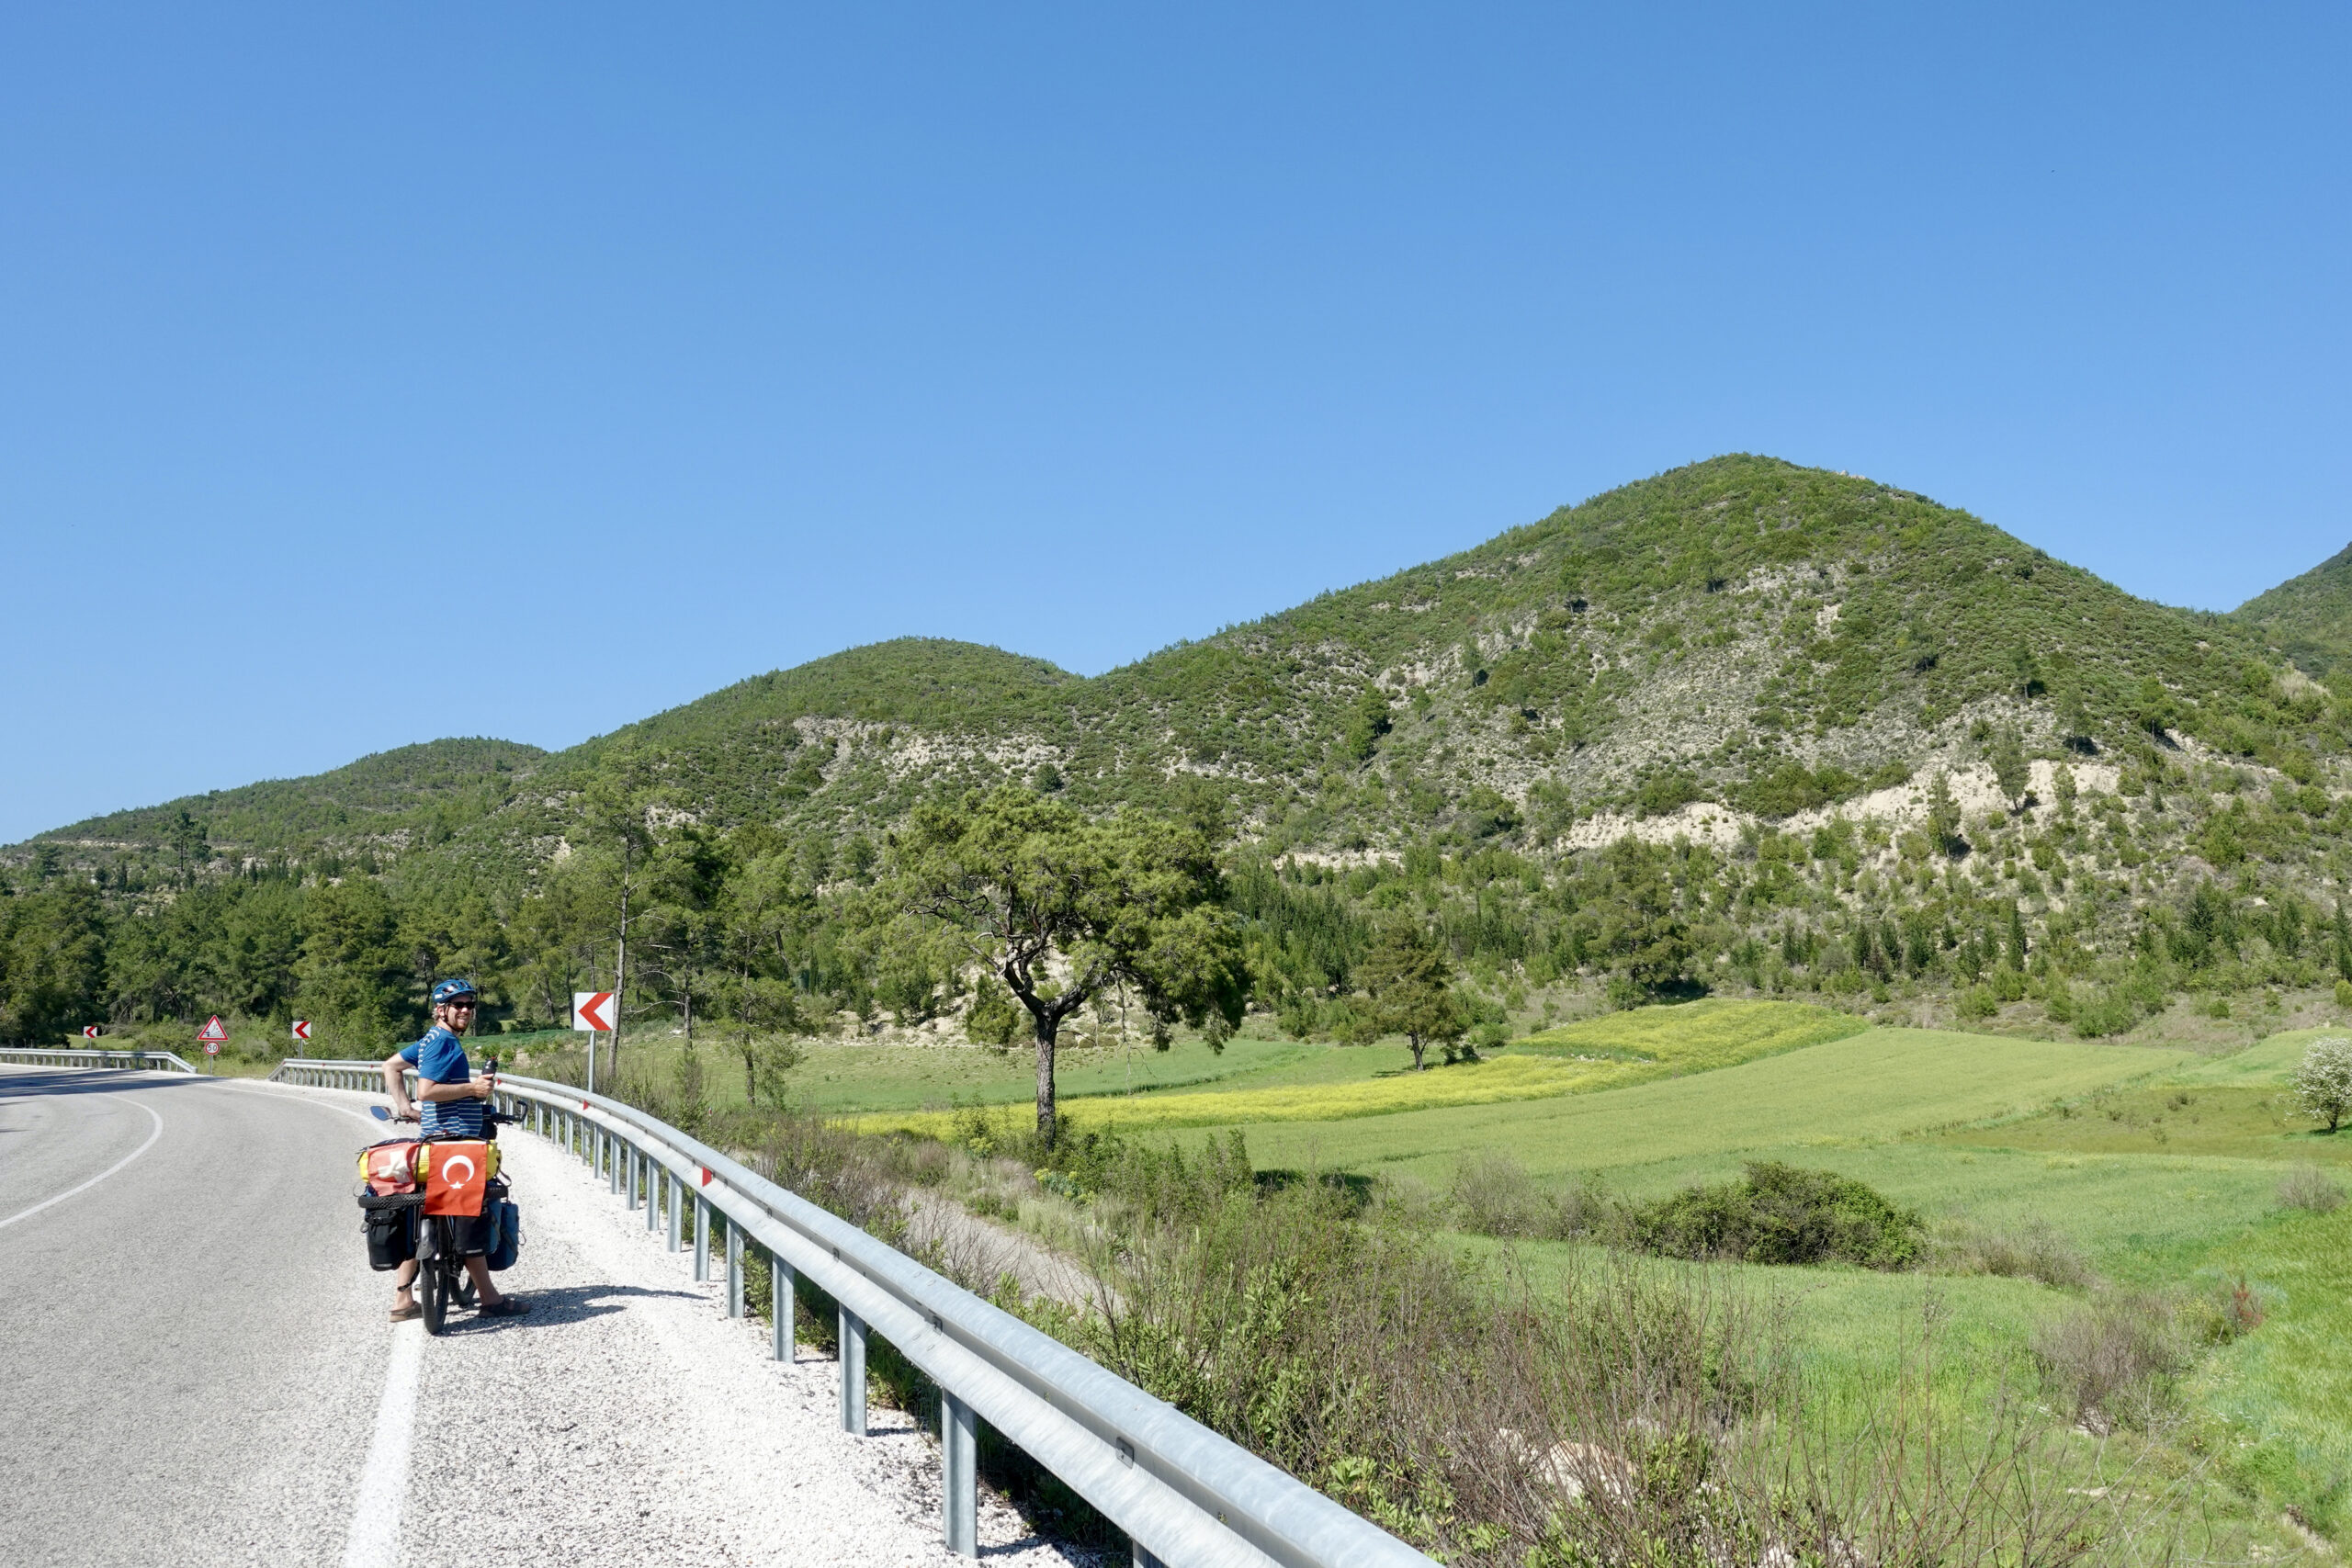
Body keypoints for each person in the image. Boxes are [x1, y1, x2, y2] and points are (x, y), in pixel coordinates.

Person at [380, 978, 530, 1322]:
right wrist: (474, 1089)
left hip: (433, 1141)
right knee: (469, 1212)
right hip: (456, 1144)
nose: (465, 1010)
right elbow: (429, 1090)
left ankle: (403, 1300)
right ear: (440, 1010)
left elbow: (390, 1066)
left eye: (469, 1005)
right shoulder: (443, 1041)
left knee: (421, 1210)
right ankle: (490, 1300)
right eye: (457, 1005)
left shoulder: (428, 1040)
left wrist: (406, 1110)